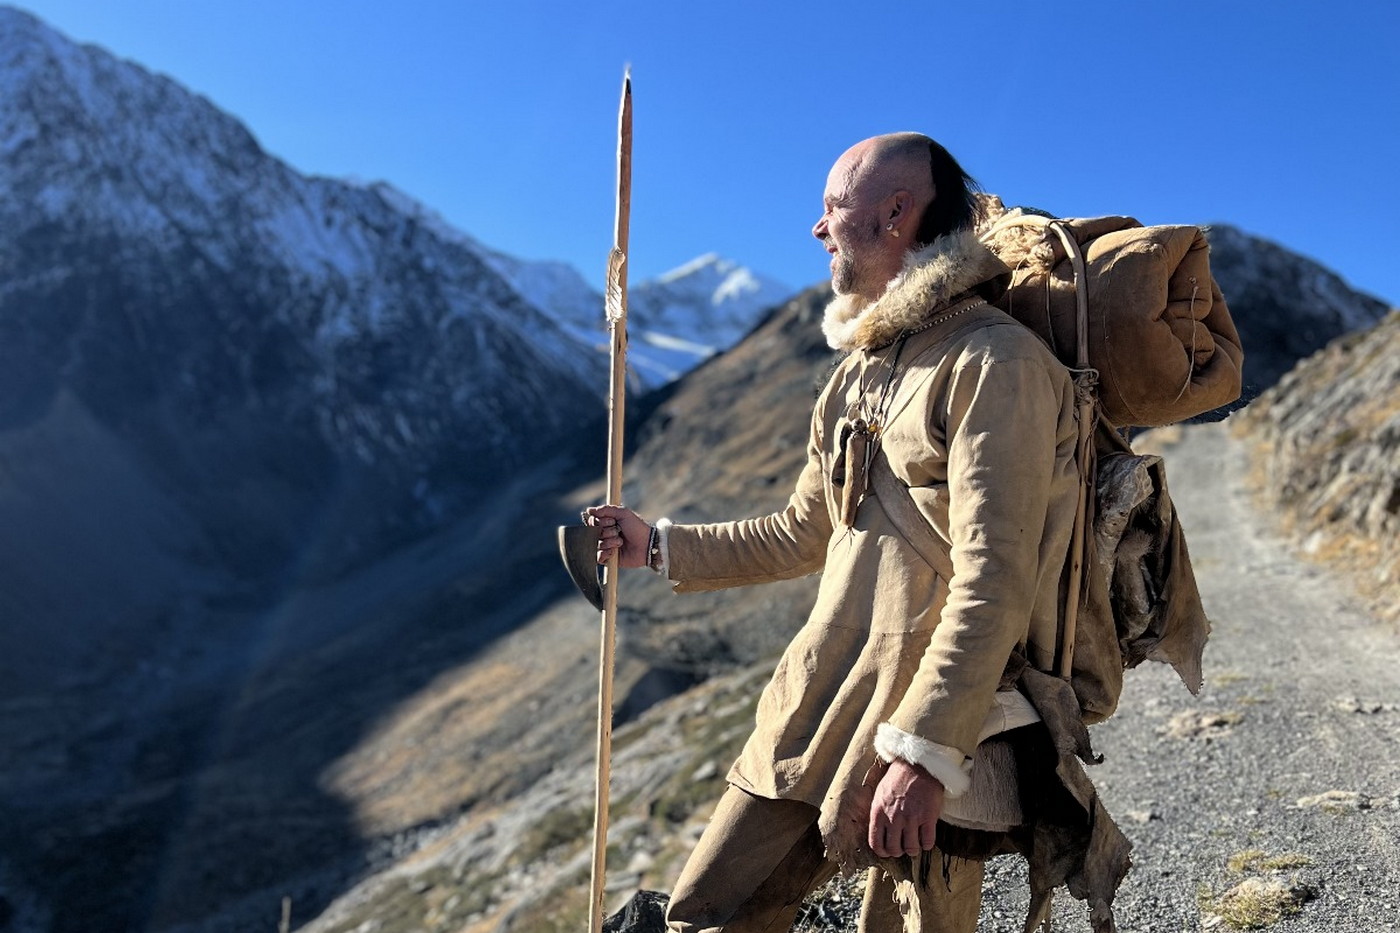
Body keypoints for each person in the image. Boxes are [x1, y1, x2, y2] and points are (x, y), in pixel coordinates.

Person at [588, 132, 1083, 932]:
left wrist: (926, 752)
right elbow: (802, 529)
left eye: (831, 208)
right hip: (819, 696)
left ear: (896, 212)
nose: (817, 230)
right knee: (709, 912)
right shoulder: (859, 370)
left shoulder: (997, 363)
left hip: (927, 712)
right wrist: (657, 545)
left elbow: (996, 575)